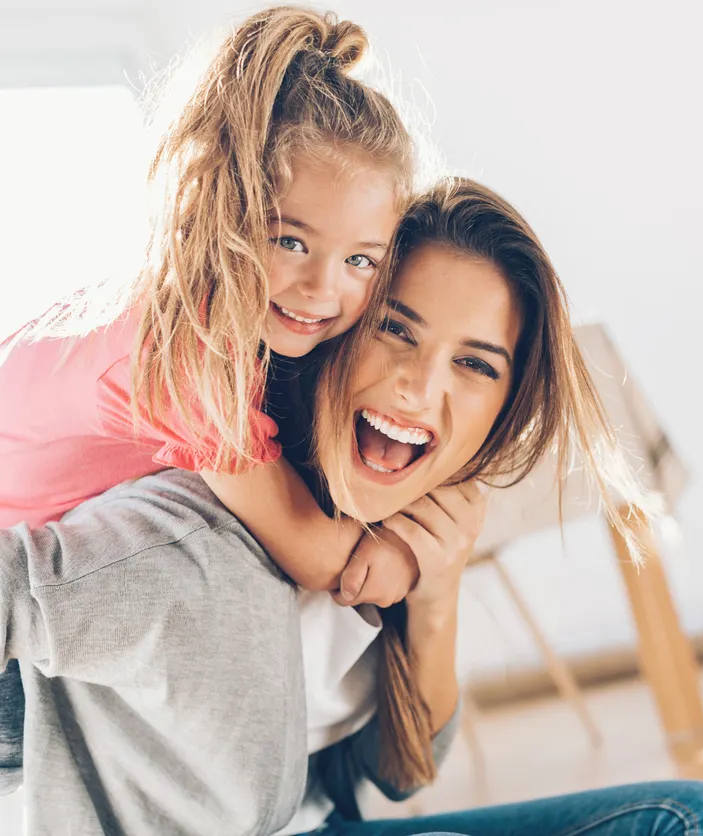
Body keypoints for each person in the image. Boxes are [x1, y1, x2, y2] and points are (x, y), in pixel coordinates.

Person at [0, 179, 703, 836]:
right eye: (396, 330)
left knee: (697, 823)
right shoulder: (189, 535)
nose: (420, 388)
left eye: (473, 364)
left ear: (502, 409)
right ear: (335, 331)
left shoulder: (393, 531)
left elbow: (399, 772)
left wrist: (434, 599)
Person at [0, 4, 440, 793]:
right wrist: (416, 553)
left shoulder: (183, 311)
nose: (321, 288)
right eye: (290, 242)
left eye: (362, 262)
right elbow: (311, 557)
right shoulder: (191, 352)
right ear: (221, 205)